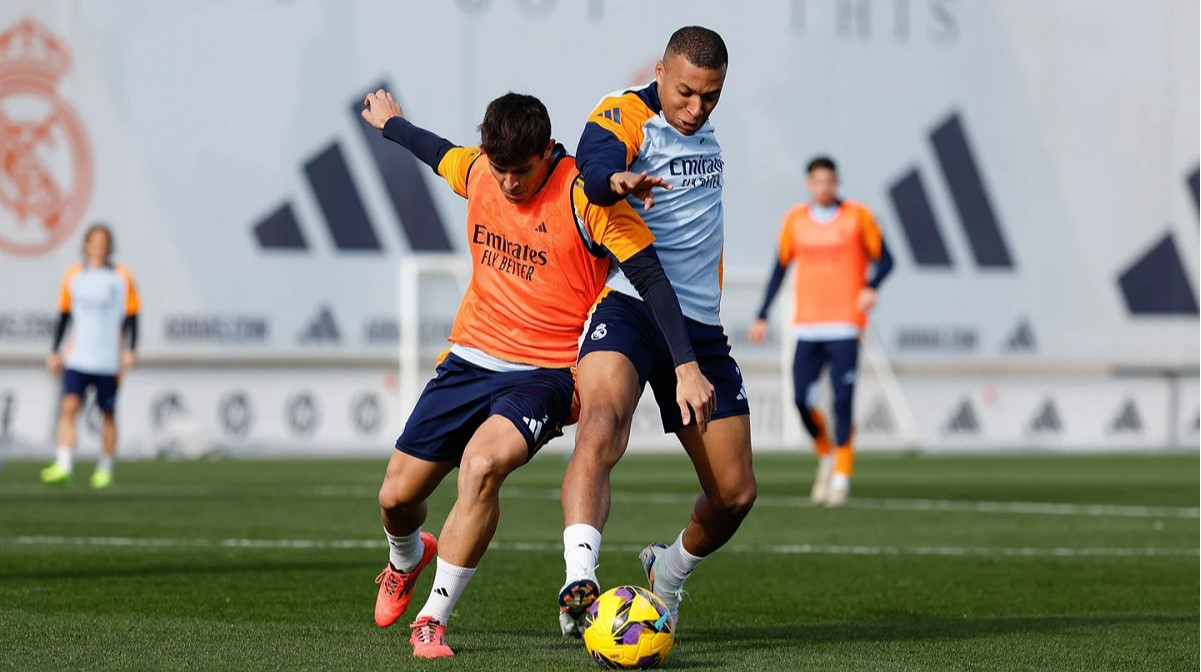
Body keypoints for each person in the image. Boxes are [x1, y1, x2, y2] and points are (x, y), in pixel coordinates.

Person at [359, 89, 713, 659]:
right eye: (499, 169)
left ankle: (432, 619)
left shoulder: (585, 197)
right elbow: (435, 150)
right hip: (470, 358)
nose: (508, 184)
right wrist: (391, 124)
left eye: (521, 171)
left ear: (547, 151)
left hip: (546, 373)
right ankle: (407, 557)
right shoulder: (479, 169)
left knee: (481, 465)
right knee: (395, 499)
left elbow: (651, 278)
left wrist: (685, 364)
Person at [558, 26, 755, 636]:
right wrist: (613, 182)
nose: (696, 108)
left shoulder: (707, 132)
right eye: (686, 92)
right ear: (661, 73)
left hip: (698, 327)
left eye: (711, 96)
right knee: (601, 424)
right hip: (631, 307)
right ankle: (579, 583)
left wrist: (691, 359)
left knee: (735, 494)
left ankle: (666, 573)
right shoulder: (624, 113)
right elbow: (594, 165)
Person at [749, 156, 894, 507]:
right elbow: (779, 268)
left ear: (836, 182)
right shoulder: (796, 220)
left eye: (829, 181)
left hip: (845, 323)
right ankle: (826, 453)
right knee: (801, 399)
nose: (824, 187)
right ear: (809, 184)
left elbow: (886, 259)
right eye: (817, 182)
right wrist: (762, 314)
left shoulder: (857, 216)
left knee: (842, 401)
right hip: (808, 325)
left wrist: (871, 286)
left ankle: (841, 477)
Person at [41, 224, 139, 489]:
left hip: (108, 359)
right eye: (95, 242)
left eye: (104, 242)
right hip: (78, 357)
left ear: (110, 246)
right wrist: (55, 351)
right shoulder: (73, 275)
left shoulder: (121, 277)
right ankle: (64, 464)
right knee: (69, 407)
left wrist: (130, 349)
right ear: (86, 245)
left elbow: (132, 316)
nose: (99, 247)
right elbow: (64, 315)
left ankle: (105, 468)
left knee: (108, 413)